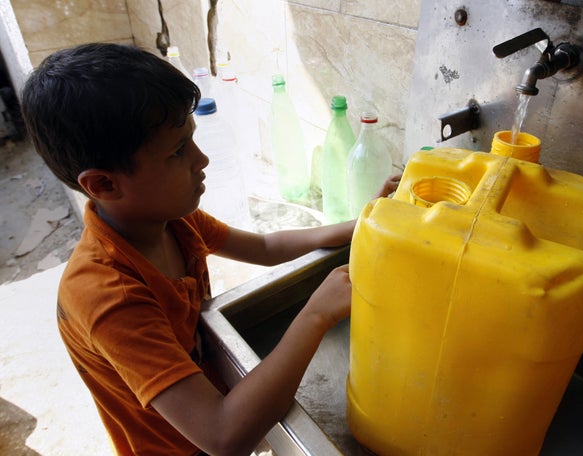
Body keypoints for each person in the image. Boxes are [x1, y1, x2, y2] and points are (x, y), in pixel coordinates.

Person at [21, 42, 400, 456]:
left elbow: (267, 246)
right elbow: (222, 435)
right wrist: (315, 314)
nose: (202, 160)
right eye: (178, 151)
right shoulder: (110, 297)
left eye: (192, 140)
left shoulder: (171, 222)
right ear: (104, 185)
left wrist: (367, 220)